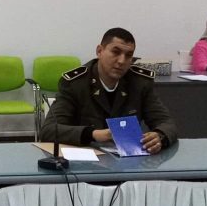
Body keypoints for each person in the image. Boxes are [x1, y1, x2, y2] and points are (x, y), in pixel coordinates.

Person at [40, 27, 178, 153]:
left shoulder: (140, 83)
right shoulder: (76, 84)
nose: (122, 61)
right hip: (86, 160)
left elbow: (167, 123)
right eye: (116, 52)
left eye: (128, 55)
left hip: (129, 162)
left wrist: (160, 136)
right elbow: (49, 130)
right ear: (99, 51)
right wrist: (94, 134)